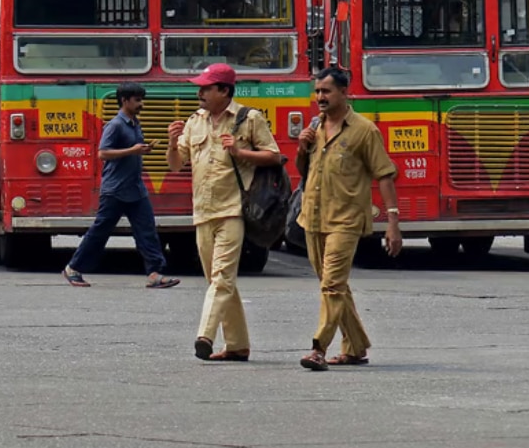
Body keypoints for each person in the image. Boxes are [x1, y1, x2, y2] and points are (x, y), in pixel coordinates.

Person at [167, 63, 281, 362]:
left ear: (224, 91)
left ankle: (204, 335)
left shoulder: (249, 118)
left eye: (206, 87)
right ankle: (238, 345)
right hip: (202, 211)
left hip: (233, 209)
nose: (200, 92)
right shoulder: (195, 121)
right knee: (219, 281)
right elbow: (177, 164)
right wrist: (171, 141)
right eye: (200, 87)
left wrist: (240, 152)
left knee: (221, 278)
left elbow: (273, 155)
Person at [297, 66, 402, 371]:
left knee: (332, 285)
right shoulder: (315, 127)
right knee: (333, 286)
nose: (320, 97)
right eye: (317, 92)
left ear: (344, 92)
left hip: (346, 220)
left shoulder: (363, 130)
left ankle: (318, 347)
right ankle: (355, 347)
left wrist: (393, 223)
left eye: (326, 91)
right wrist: (302, 147)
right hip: (313, 218)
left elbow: (384, 175)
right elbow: (305, 173)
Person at [62, 83, 180, 290]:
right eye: (137, 100)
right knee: (100, 232)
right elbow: (103, 153)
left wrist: (142, 150)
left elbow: (131, 151)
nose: (141, 104)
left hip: (135, 188)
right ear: (125, 101)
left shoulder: (135, 123)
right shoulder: (115, 125)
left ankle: (154, 273)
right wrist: (132, 150)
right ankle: (73, 268)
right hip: (115, 189)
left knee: (147, 230)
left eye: (141, 99)